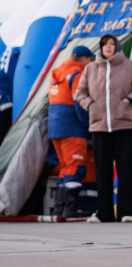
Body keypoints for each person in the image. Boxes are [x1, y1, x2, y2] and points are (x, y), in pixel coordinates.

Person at [75, 34, 132, 223]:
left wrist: (129, 100)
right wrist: (90, 104)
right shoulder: (91, 68)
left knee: (125, 170)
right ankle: (104, 213)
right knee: (103, 171)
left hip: (124, 124)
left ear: (117, 47)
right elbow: (80, 92)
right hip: (99, 126)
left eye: (112, 43)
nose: (108, 47)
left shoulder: (129, 66)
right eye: (105, 44)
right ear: (100, 47)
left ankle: (127, 212)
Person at [47, 45, 95, 218]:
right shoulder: (77, 74)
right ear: (83, 59)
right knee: (75, 167)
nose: (90, 63)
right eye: (90, 59)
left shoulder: (56, 73)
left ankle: (60, 209)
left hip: (55, 128)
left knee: (65, 168)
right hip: (72, 128)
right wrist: (88, 126)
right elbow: (80, 103)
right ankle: (70, 208)